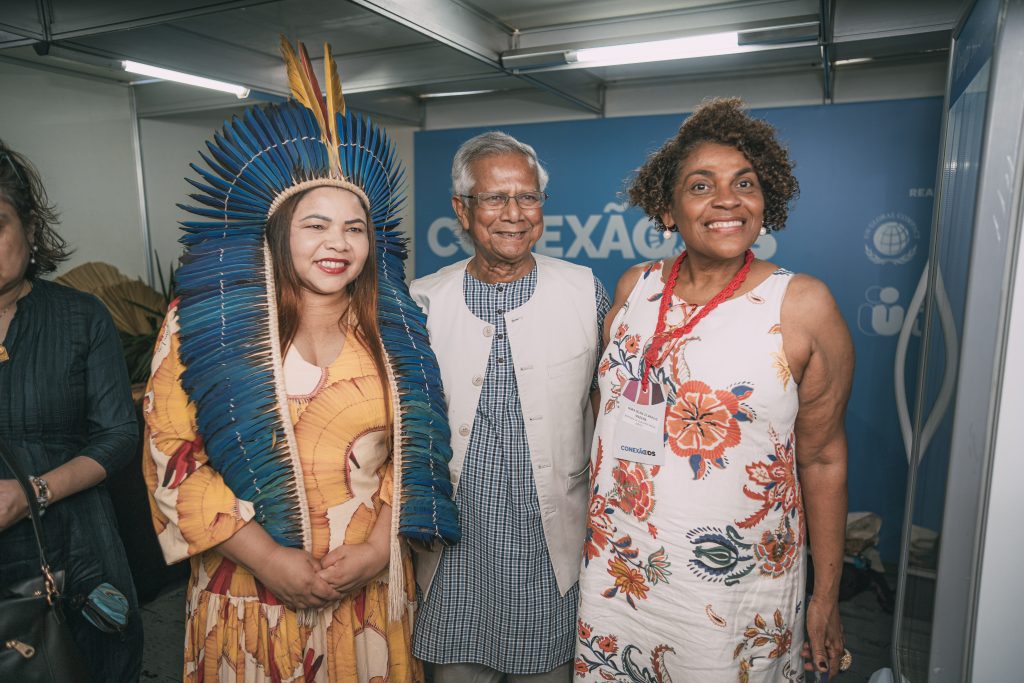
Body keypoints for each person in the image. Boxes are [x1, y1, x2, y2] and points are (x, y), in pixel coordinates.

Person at [143, 39, 457, 683]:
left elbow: (417, 448)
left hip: (368, 594)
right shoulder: (202, 321)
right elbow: (171, 456)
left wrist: (377, 551)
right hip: (247, 594)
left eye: (355, 227)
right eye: (315, 225)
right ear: (278, 231)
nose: (338, 244)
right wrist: (270, 560)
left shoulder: (394, 327)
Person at [573, 98, 854, 682]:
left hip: (733, 587)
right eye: (701, 186)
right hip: (620, 569)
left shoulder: (801, 305)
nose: (727, 200)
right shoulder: (634, 289)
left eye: (744, 184)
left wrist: (826, 594)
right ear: (668, 209)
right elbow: (606, 412)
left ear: (764, 202)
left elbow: (824, 458)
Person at [411, 131, 610, 682]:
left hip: (550, 550)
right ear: (462, 208)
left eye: (528, 197)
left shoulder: (584, 290)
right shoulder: (424, 298)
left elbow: (607, 410)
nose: (514, 214)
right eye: (495, 198)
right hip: (454, 553)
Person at [0, 140, 143, 680]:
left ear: (31, 230)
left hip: (76, 548)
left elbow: (118, 435)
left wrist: (32, 493)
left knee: (91, 663)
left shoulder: (79, 317)